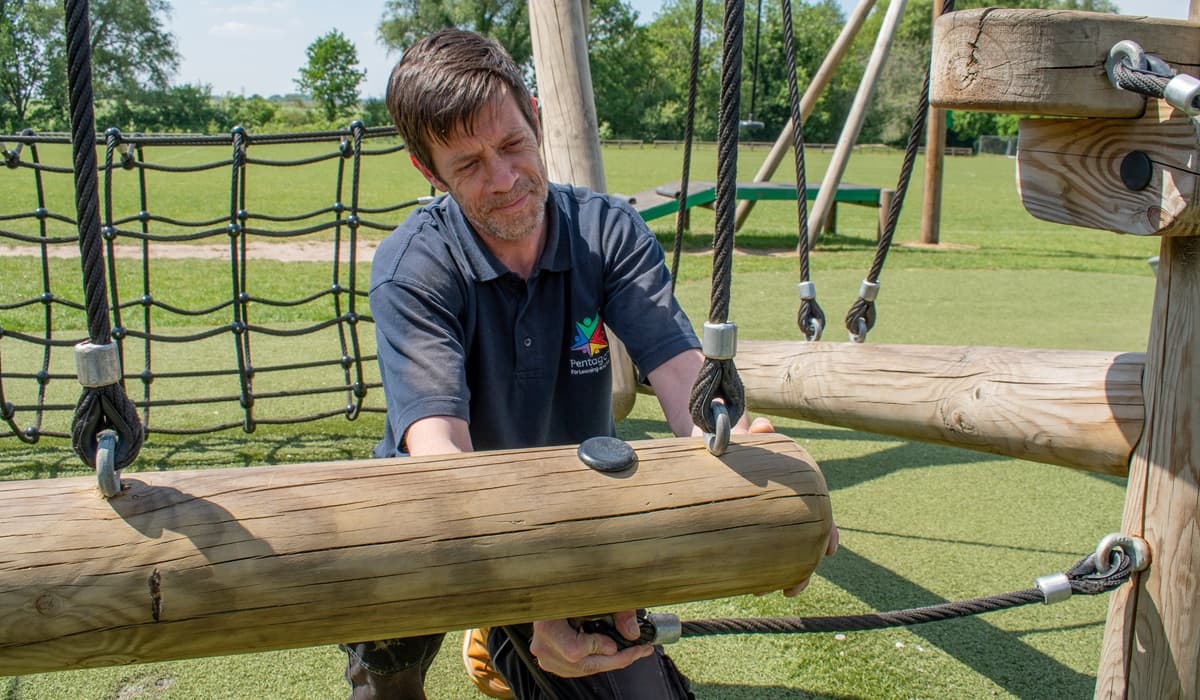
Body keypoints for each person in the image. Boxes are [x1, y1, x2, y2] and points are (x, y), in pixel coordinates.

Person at [343, 28, 836, 700]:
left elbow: (686, 382)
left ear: (537, 118)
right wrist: (533, 597)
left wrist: (780, 484)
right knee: (388, 685)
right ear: (427, 172)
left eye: (513, 145)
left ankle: (500, 644)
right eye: (468, 165)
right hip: (437, 519)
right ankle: (464, 640)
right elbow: (443, 462)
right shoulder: (413, 268)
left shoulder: (607, 230)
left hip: (570, 509)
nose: (505, 179)